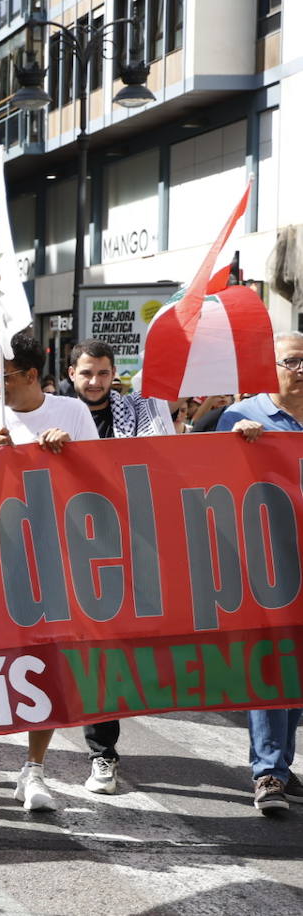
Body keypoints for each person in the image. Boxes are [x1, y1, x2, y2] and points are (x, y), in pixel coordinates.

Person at [0, 331, 98, 811]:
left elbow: (97, 479)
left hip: (53, 553)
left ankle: (33, 770)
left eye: (2, 377)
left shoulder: (71, 413)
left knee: (48, 662)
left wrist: (68, 452)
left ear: (32, 376)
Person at [65, 338, 175, 793]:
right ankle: (13, 751)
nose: (95, 382)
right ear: (71, 374)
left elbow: (167, 461)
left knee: (107, 653)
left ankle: (102, 752)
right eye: (86, 373)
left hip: (126, 548)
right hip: (67, 548)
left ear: (115, 375)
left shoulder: (140, 413)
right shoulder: (53, 414)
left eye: (103, 373)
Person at [217, 330, 303, 813]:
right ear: (269, 368)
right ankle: (267, 772)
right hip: (267, 560)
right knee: (274, 661)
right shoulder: (242, 416)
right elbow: (205, 479)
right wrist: (236, 447)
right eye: (293, 362)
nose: (301, 371)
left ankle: (283, 767)